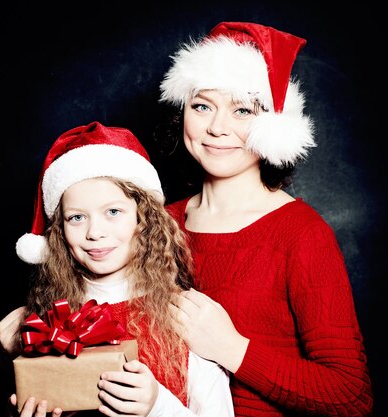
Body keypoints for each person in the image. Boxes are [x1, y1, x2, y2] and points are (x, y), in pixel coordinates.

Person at [155, 21, 373, 417]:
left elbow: (351, 396)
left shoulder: (301, 234)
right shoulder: (160, 223)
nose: (217, 128)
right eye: (202, 106)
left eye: (242, 110)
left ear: (273, 127)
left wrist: (232, 349)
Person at [1, 121, 234, 417]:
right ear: (59, 230)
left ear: (143, 219)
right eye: (76, 218)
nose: (94, 232)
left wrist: (157, 406)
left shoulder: (188, 316)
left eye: (113, 212)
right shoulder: (44, 323)